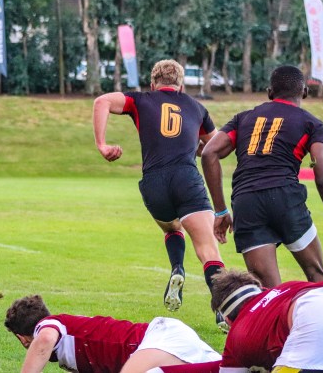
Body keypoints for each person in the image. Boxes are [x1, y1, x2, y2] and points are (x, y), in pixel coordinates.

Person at [201, 65, 323, 288]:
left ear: (270, 92)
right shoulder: (312, 124)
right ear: (305, 92)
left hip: (246, 202)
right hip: (284, 198)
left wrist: (221, 211)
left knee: (269, 291)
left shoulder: (243, 118)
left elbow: (209, 152)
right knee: (316, 274)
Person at [93, 59, 226, 330]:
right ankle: (225, 311)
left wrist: (102, 145)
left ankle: (177, 267)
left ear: (153, 84)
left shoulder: (141, 100)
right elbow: (214, 148)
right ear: (181, 85)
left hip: (153, 183)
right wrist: (193, 147)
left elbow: (101, 101)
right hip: (186, 179)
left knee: (172, 227)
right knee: (207, 248)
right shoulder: (196, 107)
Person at [4, 294, 221, 373]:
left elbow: (44, 339)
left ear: (21, 338)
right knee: (231, 368)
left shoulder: (49, 325)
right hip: (163, 339)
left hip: (160, 339)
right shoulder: (68, 343)